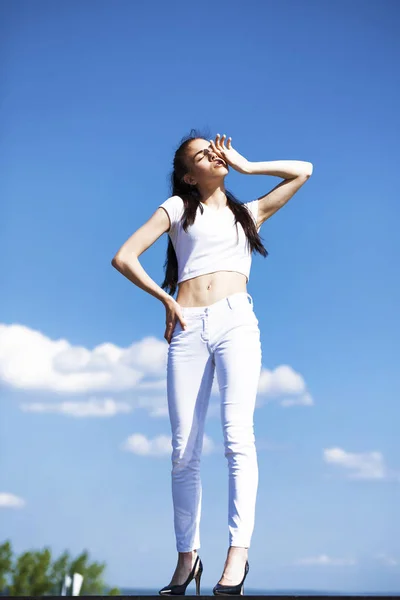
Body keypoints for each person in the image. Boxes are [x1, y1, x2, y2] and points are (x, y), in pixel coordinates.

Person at [111, 129, 313, 596]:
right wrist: (166, 299)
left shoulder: (250, 213)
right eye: (202, 155)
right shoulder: (179, 209)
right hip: (187, 326)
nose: (213, 155)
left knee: (238, 437)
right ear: (188, 175)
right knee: (184, 451)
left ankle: (237, 557)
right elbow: (124, 257)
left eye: (215, 148)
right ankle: (187, 559)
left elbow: (304, 170)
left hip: (236, 322)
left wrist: (245, 165)